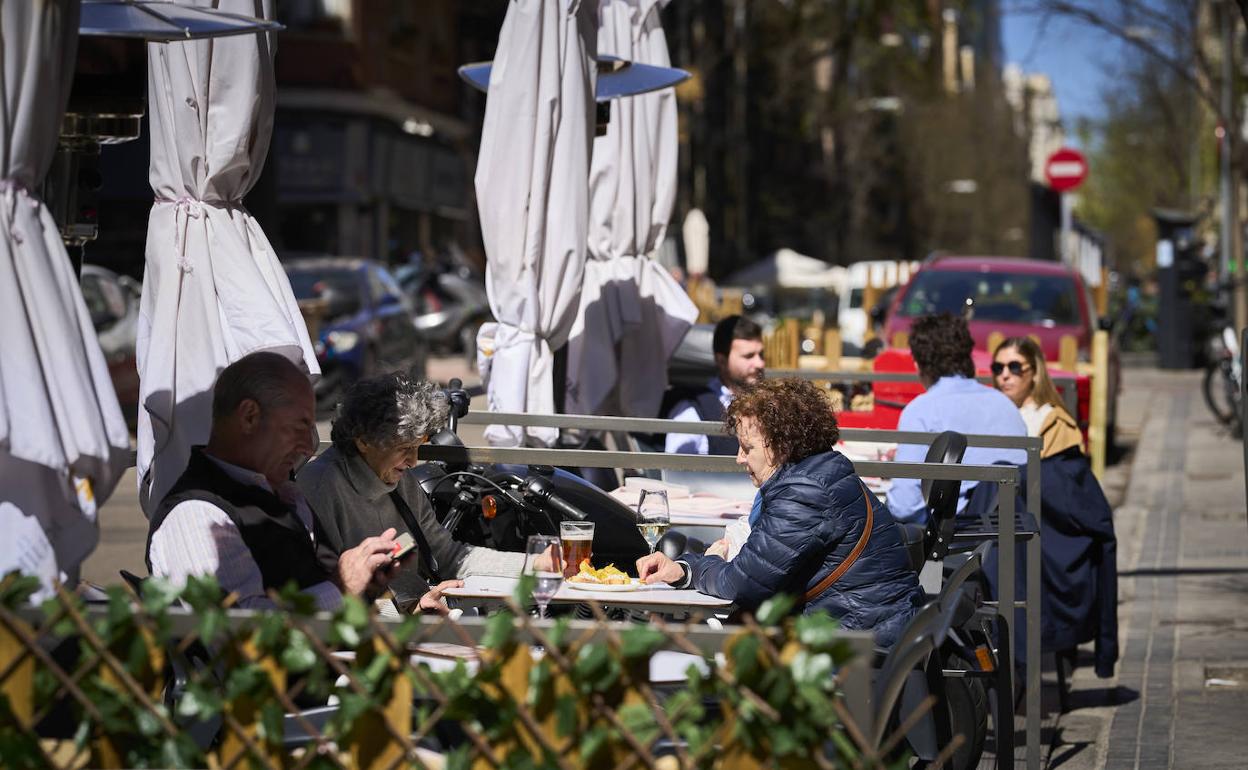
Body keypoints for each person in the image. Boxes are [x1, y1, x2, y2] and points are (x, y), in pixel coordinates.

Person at [146, 352, 457, 614]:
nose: (308, 447)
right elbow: (239, 637)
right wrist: (342, 586)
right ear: (250, 417)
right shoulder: (197, 514)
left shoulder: (281, 495)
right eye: (299, 427)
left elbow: (322, 597)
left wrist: (387, 601)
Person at [638, 378, 925, 648]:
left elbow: (742, 584)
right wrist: (684, 570)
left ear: (781, 445)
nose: (739, 457)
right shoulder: (823, 471)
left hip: (855, 646)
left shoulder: (804, 492)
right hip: (869, 627)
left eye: (747, 448)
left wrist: (701, 565)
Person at [297, 373, 553, 613]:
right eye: (405, 447)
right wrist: (411, 613)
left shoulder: (400, 480)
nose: (412, 461)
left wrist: (535, 564)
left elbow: (452, 557)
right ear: (363, 441)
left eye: (418, 446)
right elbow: (328, 592)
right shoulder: (321, 485)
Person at [992, 337, 1118, 678]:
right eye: (998, 367)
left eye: (1015, 367)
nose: (1005, 375)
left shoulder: (1052, 422)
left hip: (1037, 536)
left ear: (1034, 373)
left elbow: (1061, 494)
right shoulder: (993, 414)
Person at [885, 313, 1028, 523]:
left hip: (957, 536)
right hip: (1014, 534)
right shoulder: (1006, 406)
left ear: (918, 364)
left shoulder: (921, 410)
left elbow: (904, 507)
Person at [665, 315, 766, 455]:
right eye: (749, 356)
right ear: (722, 361)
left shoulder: (770, 402)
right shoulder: (692, 411)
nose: (760, 363)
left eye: (761, 354)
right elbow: (675, 471)